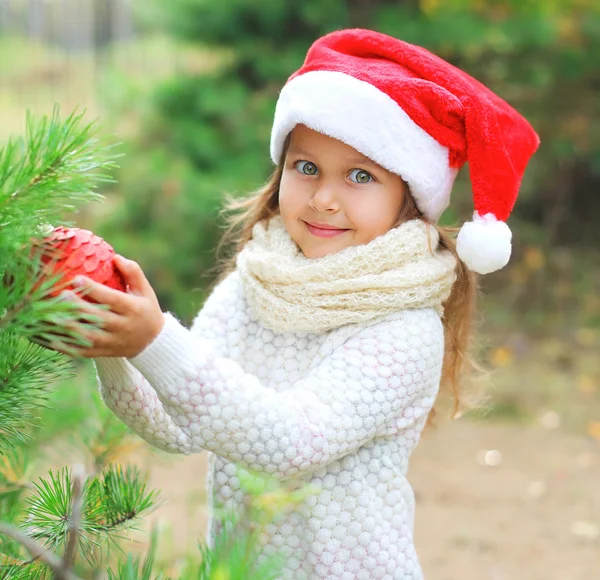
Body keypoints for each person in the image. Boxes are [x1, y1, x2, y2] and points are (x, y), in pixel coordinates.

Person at [54, 28, 539, 580]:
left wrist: (156, 341)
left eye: (360, 176)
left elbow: (290, 441)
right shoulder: (254, 283)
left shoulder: (404, 329)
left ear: (409, 199)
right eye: (306, 167)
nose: (324, 197)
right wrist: (113, 345)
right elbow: (174, 426)